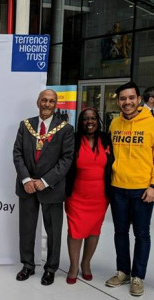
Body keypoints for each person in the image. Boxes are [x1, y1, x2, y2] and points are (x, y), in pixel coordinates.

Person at [105, 81, 154, 296]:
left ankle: (138, 276)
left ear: (139, 99)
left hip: (142, 190)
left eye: (131, 98)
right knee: (120, 232)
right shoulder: (114, 124)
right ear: (119, 102)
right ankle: (123, 271)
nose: (127, 102)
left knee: (142, 234)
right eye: (123, 99)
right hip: (117, 188)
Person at [13, 89, 74, 286]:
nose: (47, 104)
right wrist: (26, 180)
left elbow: (66, 160)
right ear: (38, 102)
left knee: (54, 231)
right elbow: (17, 153)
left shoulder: (65, 129)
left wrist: (45, 181)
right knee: (27, 229)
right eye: (44, 100)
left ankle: (50, 269)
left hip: (52, 188)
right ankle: (28, 265)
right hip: (27, 187)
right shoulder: (26, 125)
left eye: (51, 101)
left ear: (56, 104)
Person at [64, 108, 114, 284]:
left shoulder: (107, 139)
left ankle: (86, 264)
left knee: (93, 230)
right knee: (75, 231)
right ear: (81, 121)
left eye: (93, 118)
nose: (89, 121)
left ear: (98, 120)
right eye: (85, 119)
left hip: (100, 196)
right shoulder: (73, 139)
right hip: (76, 195)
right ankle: (73, 266)